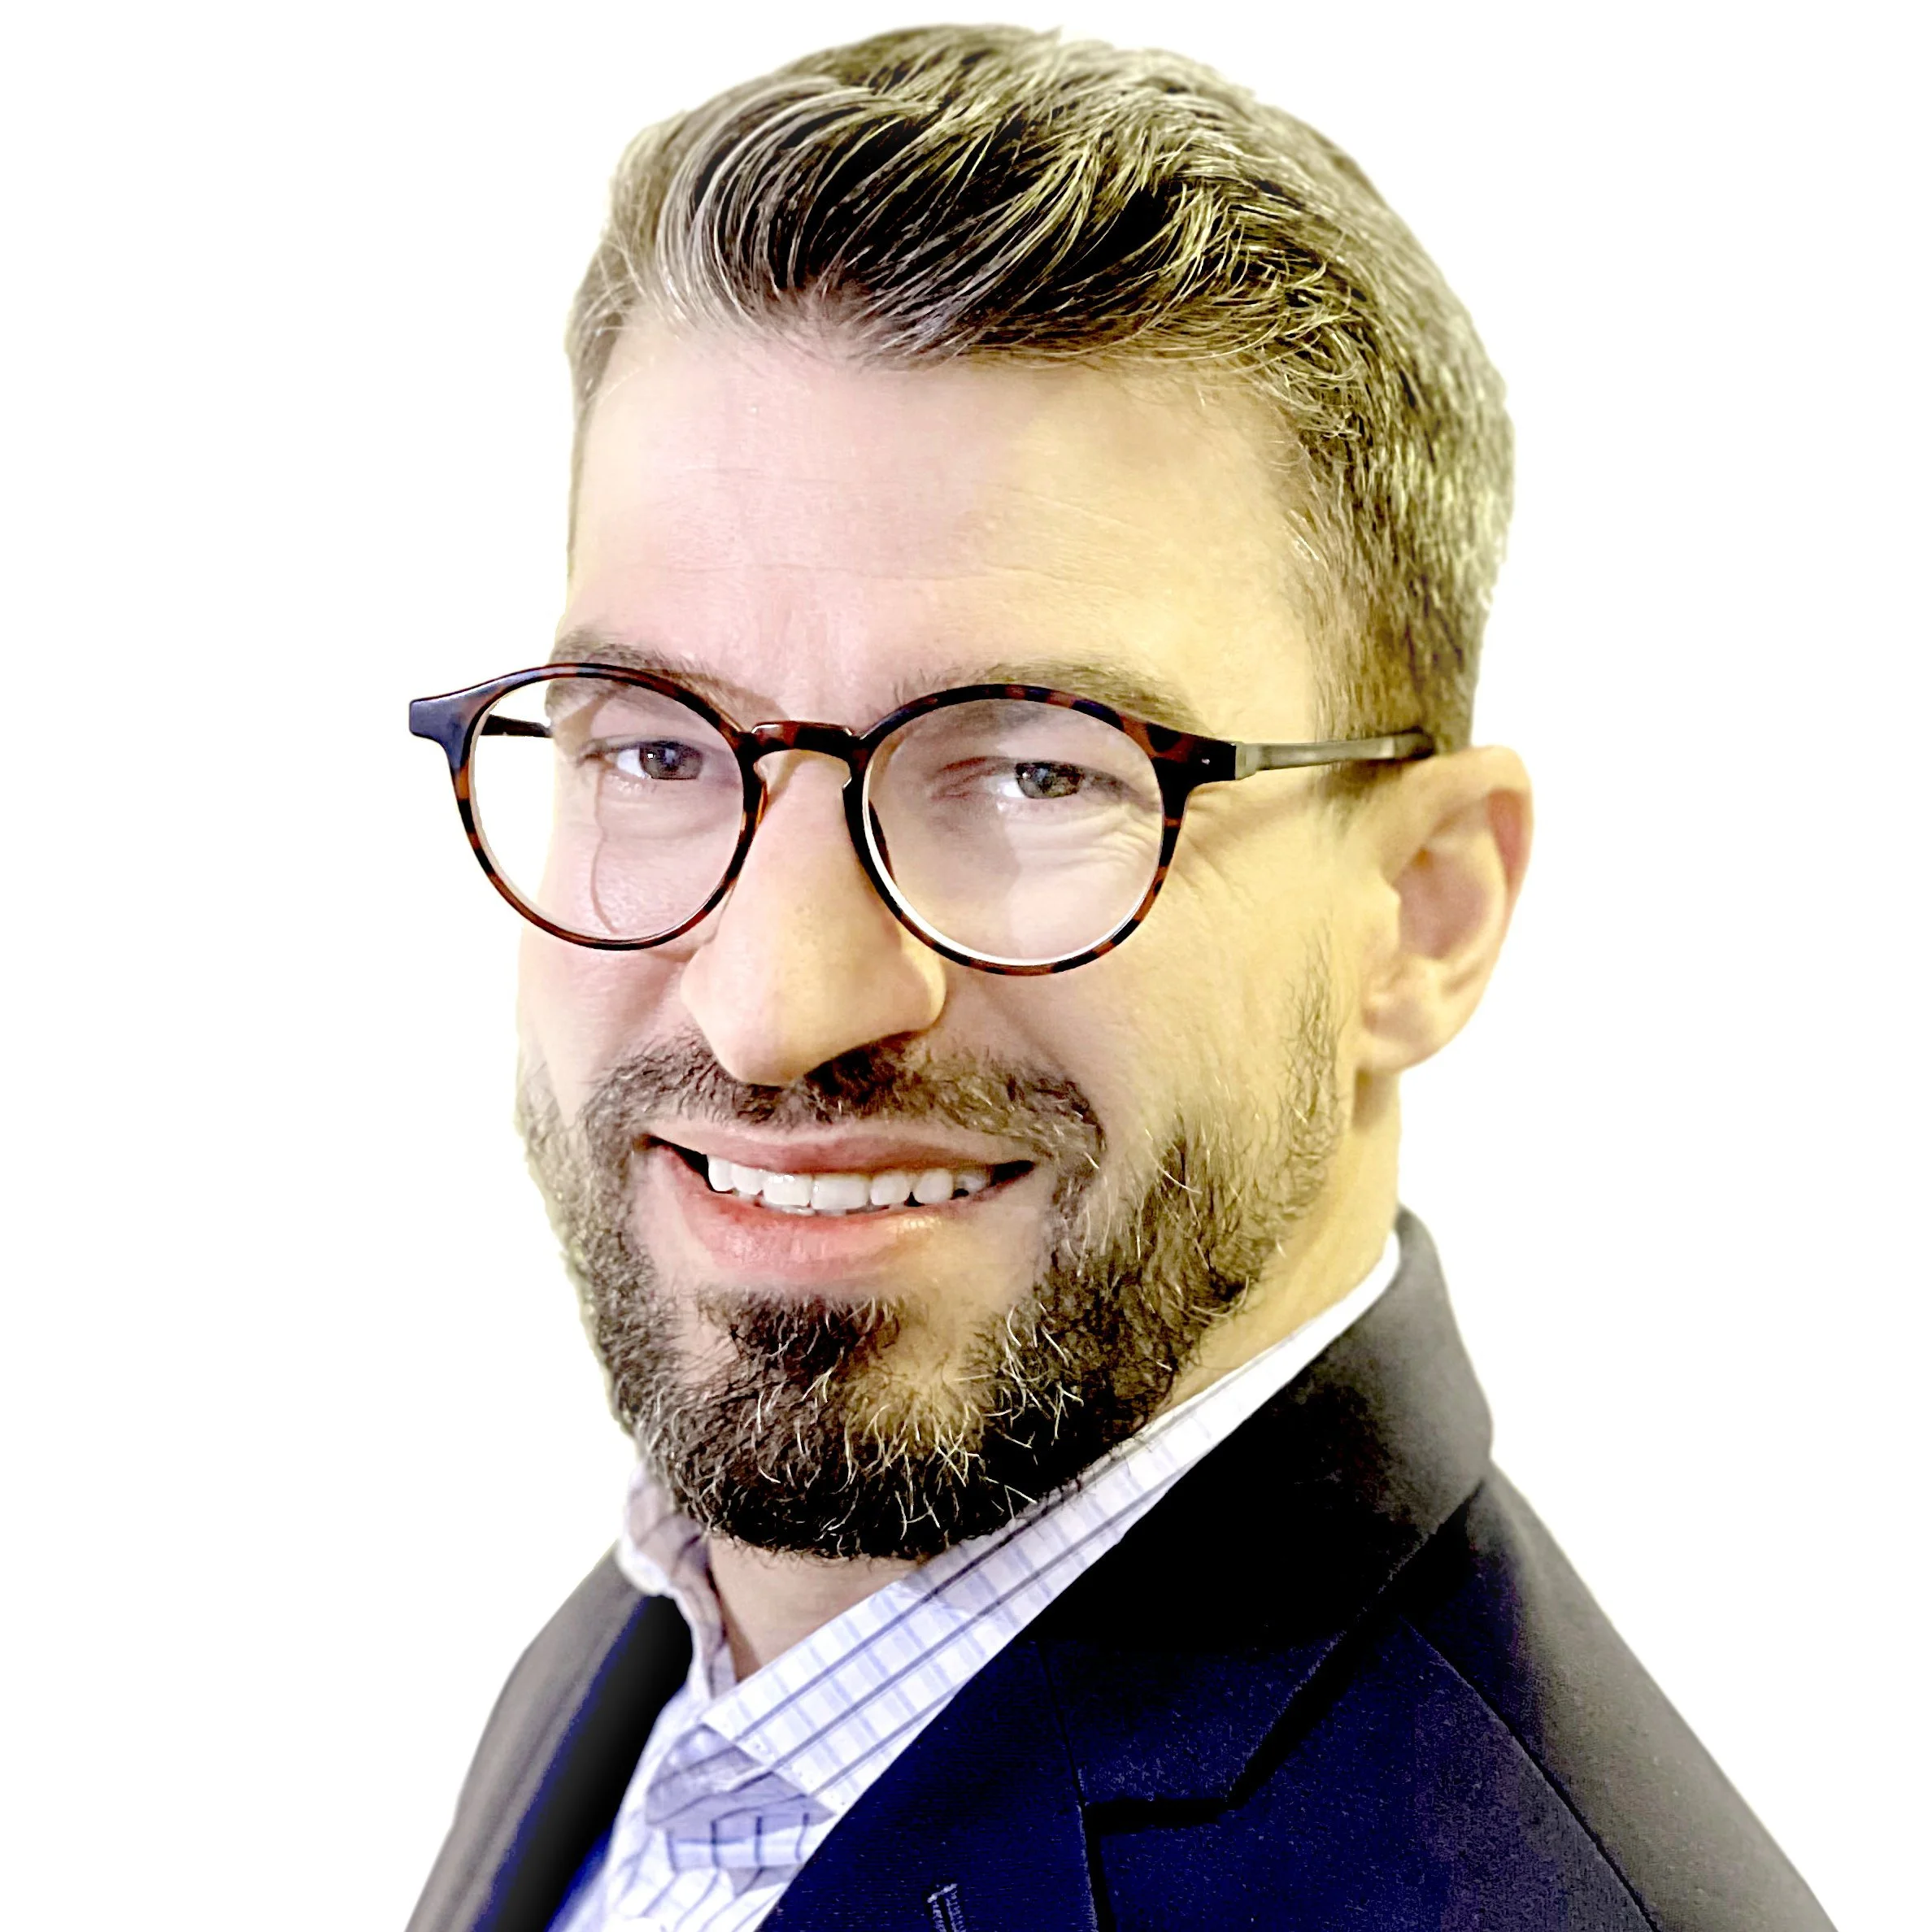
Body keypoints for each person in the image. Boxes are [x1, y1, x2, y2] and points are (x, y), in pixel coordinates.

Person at [405, 24, 1832, 1931]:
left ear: (1424, 914)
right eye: (658, 747)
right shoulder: (695, 1639)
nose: (774, 1005)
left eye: (1034, 774)